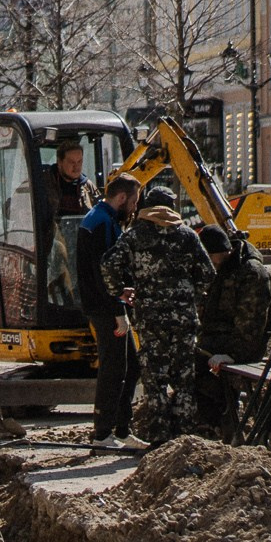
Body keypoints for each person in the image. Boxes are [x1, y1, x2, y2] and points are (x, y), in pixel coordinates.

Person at [100, 186, 214, 442]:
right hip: (183, 319)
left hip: (150, 319)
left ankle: (160, 438)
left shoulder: (135, 236)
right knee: (184, 379)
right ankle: (185, 439)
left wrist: (120, 291)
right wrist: (190, 297)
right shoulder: (187, 236)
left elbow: (108, 264)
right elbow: (207, 273)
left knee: (155, 380)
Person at [75, 174, 142, 444]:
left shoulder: (99, 218)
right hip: (105, 309)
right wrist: (118, 309)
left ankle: (122, 430)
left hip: (104, 304)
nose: (135, 207)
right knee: (114, 369)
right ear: (122, 198)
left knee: (131, 367)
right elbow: (105, 272)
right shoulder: (103, 223)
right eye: (134, 201)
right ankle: (103, 434)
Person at [195, 225, 271, 438]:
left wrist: (233, 355)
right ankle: (211, 422)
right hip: (218, 339)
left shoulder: (251, 273)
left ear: (222, 252)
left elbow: (251, 326)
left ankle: (219, 422)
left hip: (244, 346)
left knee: (195, 367)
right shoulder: (220, 268)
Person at [41, 143, 96, 219]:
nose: (76, 167)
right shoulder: (41, 183)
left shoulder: (88, 186)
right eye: (71, 162)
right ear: (59, 162)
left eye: (79, 161)